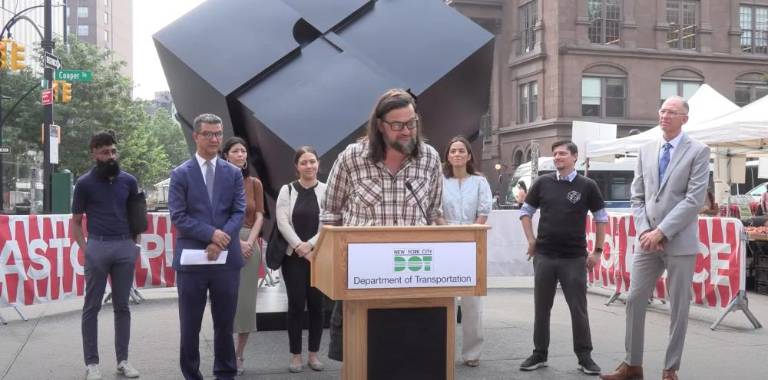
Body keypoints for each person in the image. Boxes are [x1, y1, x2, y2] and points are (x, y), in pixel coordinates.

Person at [321, 88, 444, 361]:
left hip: (414, 277)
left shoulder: (430, 159)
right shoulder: (352, 158)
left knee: (410, 361)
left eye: (412, 123)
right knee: (363, 358)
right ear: (379, 125)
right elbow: (330, 214)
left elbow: (435, 214)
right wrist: (334, 266)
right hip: (362, 277)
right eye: (397, 125)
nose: (406, 131)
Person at [601, 96, 710, 380]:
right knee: (635, 299)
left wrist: (662, 231)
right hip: (647, 239)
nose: (665, 115)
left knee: (678, 306)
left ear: (685, 118)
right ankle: (632, 364)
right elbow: (637, 197)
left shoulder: (698, 151)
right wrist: (645, 231)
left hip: (679, 239)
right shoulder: (646, 149)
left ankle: (670, 368)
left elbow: (694, 199)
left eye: (672, 112)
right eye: (662, 110)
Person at [519, 140, 607, 376]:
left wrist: (597, 252)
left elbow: (601, 219)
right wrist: (531, 240)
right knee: (542, 308)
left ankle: (584, 356)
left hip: (574, 257)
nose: (557, 157)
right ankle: (539, 354)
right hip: (545, 255)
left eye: (562, 154)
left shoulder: (587, 185)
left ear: (574, 157)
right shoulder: (542, 183)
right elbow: (525, 212)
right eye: (555, 154)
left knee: (578, 309)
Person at [168, 114, 246, 380]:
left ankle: (225, 373)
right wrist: (212, 235)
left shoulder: (234, 173)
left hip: (227, 262)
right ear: (196, 136)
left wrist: (222, 238)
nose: (214, 139)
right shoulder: (180, 174)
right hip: (192, 262)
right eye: (208, 134)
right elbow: (178, 216)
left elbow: (239, 211)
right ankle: (191, 374)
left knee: (224, 325)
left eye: (218, 134)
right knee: (189, 325)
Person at [72, 130, 141, 380]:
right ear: (94, 154)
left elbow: (137, 218)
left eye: (113, 151)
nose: (110, 156)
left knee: (123, 307)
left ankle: (123, 360)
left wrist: (136, 246)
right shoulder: (84, 184)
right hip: (97, 248)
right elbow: (76, 222)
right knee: (91, 307)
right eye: (104, 152)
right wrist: (86, 249)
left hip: (125, 246)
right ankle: (92, 363)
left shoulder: (129, 181)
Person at [437, 136, 492, 367]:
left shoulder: (480, 182)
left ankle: (471, 353)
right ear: (447, 156)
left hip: (473, 243)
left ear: (469, 155)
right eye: (453, 151)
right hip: (444, 242)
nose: (457, 154)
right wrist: (449, 234)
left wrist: (470, 234)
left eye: (462, 150)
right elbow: (435, 211)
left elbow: (483, 210)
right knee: (442, 299)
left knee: (472, 301)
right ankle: (441, 351)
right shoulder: (439, 181)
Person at [276, 146, 327, 373]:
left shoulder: (326, 190)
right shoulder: (287, 190)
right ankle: (295, 355)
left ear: (318, 164)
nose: (309, 166)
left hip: (318, 256)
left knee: (317, 307)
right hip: (293, 257)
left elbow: (330, 221)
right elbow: (282, 222)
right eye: (304, 162)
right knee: (296, 305)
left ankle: (313, 355)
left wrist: (311, 245)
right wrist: (299, 246)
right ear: (297, 166)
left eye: (312, 161)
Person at [220, 137, 265, 375]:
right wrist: (235, 241)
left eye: (243, 151)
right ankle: (224, 351)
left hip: (250, 243)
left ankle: (239, 354)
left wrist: (249, 241)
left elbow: (259, 215)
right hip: (225, 241)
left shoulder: (254, 182)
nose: (241, 154)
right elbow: (217, 215)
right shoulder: (218, 181)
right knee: (226, 299)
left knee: (246, 302)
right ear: (226, 155)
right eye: (236, 151)